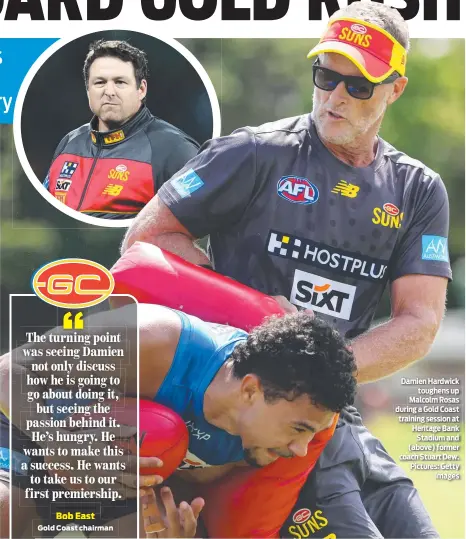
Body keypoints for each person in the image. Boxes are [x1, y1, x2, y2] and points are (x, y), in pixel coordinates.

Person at [121, 2, 450, 537]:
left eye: (359, 85)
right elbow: (147, 238)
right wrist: (238, 313)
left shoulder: (417, 189)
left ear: (396, 89)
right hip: (264, 422)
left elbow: (418, 322)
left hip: (332, 414)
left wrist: (316, 375)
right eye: (326, 74)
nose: (335, 95)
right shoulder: (252, 152)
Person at [0, 304, 356, 538]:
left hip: (123, 481)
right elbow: (9, 370)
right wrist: (58, 442)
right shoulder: (155, 341)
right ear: (250, 391)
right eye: (299, 429)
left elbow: (177, 484)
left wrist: (175, 525)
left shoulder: (254, 443)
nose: (301, 450)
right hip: (30, 432)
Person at [43, 39, 200, 219]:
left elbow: (198, 218)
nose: (109, 91)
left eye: (120, 82)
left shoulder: (174, 149)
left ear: (141, 89)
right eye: (100, 82)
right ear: (88, 90)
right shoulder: (69, 143)